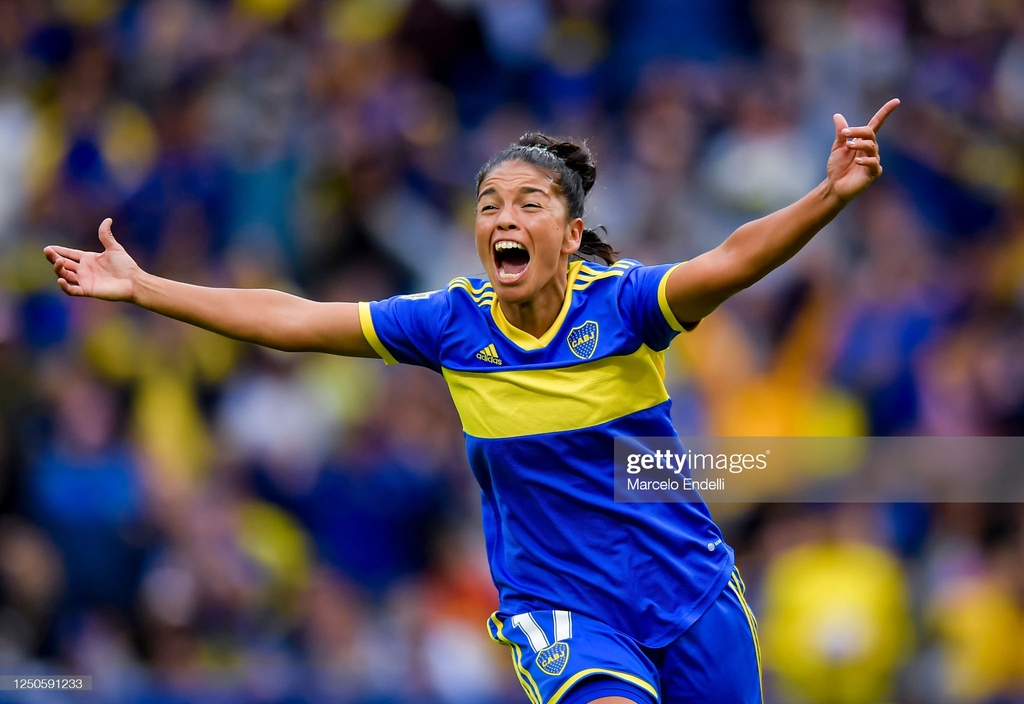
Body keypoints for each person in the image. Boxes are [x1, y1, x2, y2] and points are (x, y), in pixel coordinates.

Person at [44, 98, 900, 704]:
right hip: (564, 606)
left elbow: (733, 257)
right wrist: (149, 289)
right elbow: (291, 317)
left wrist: (827, 196)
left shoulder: (624, 304)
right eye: (490, 204)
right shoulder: (451, 323)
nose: (504, 217)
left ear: (569, 237)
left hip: (690, 589)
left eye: (530, 202)